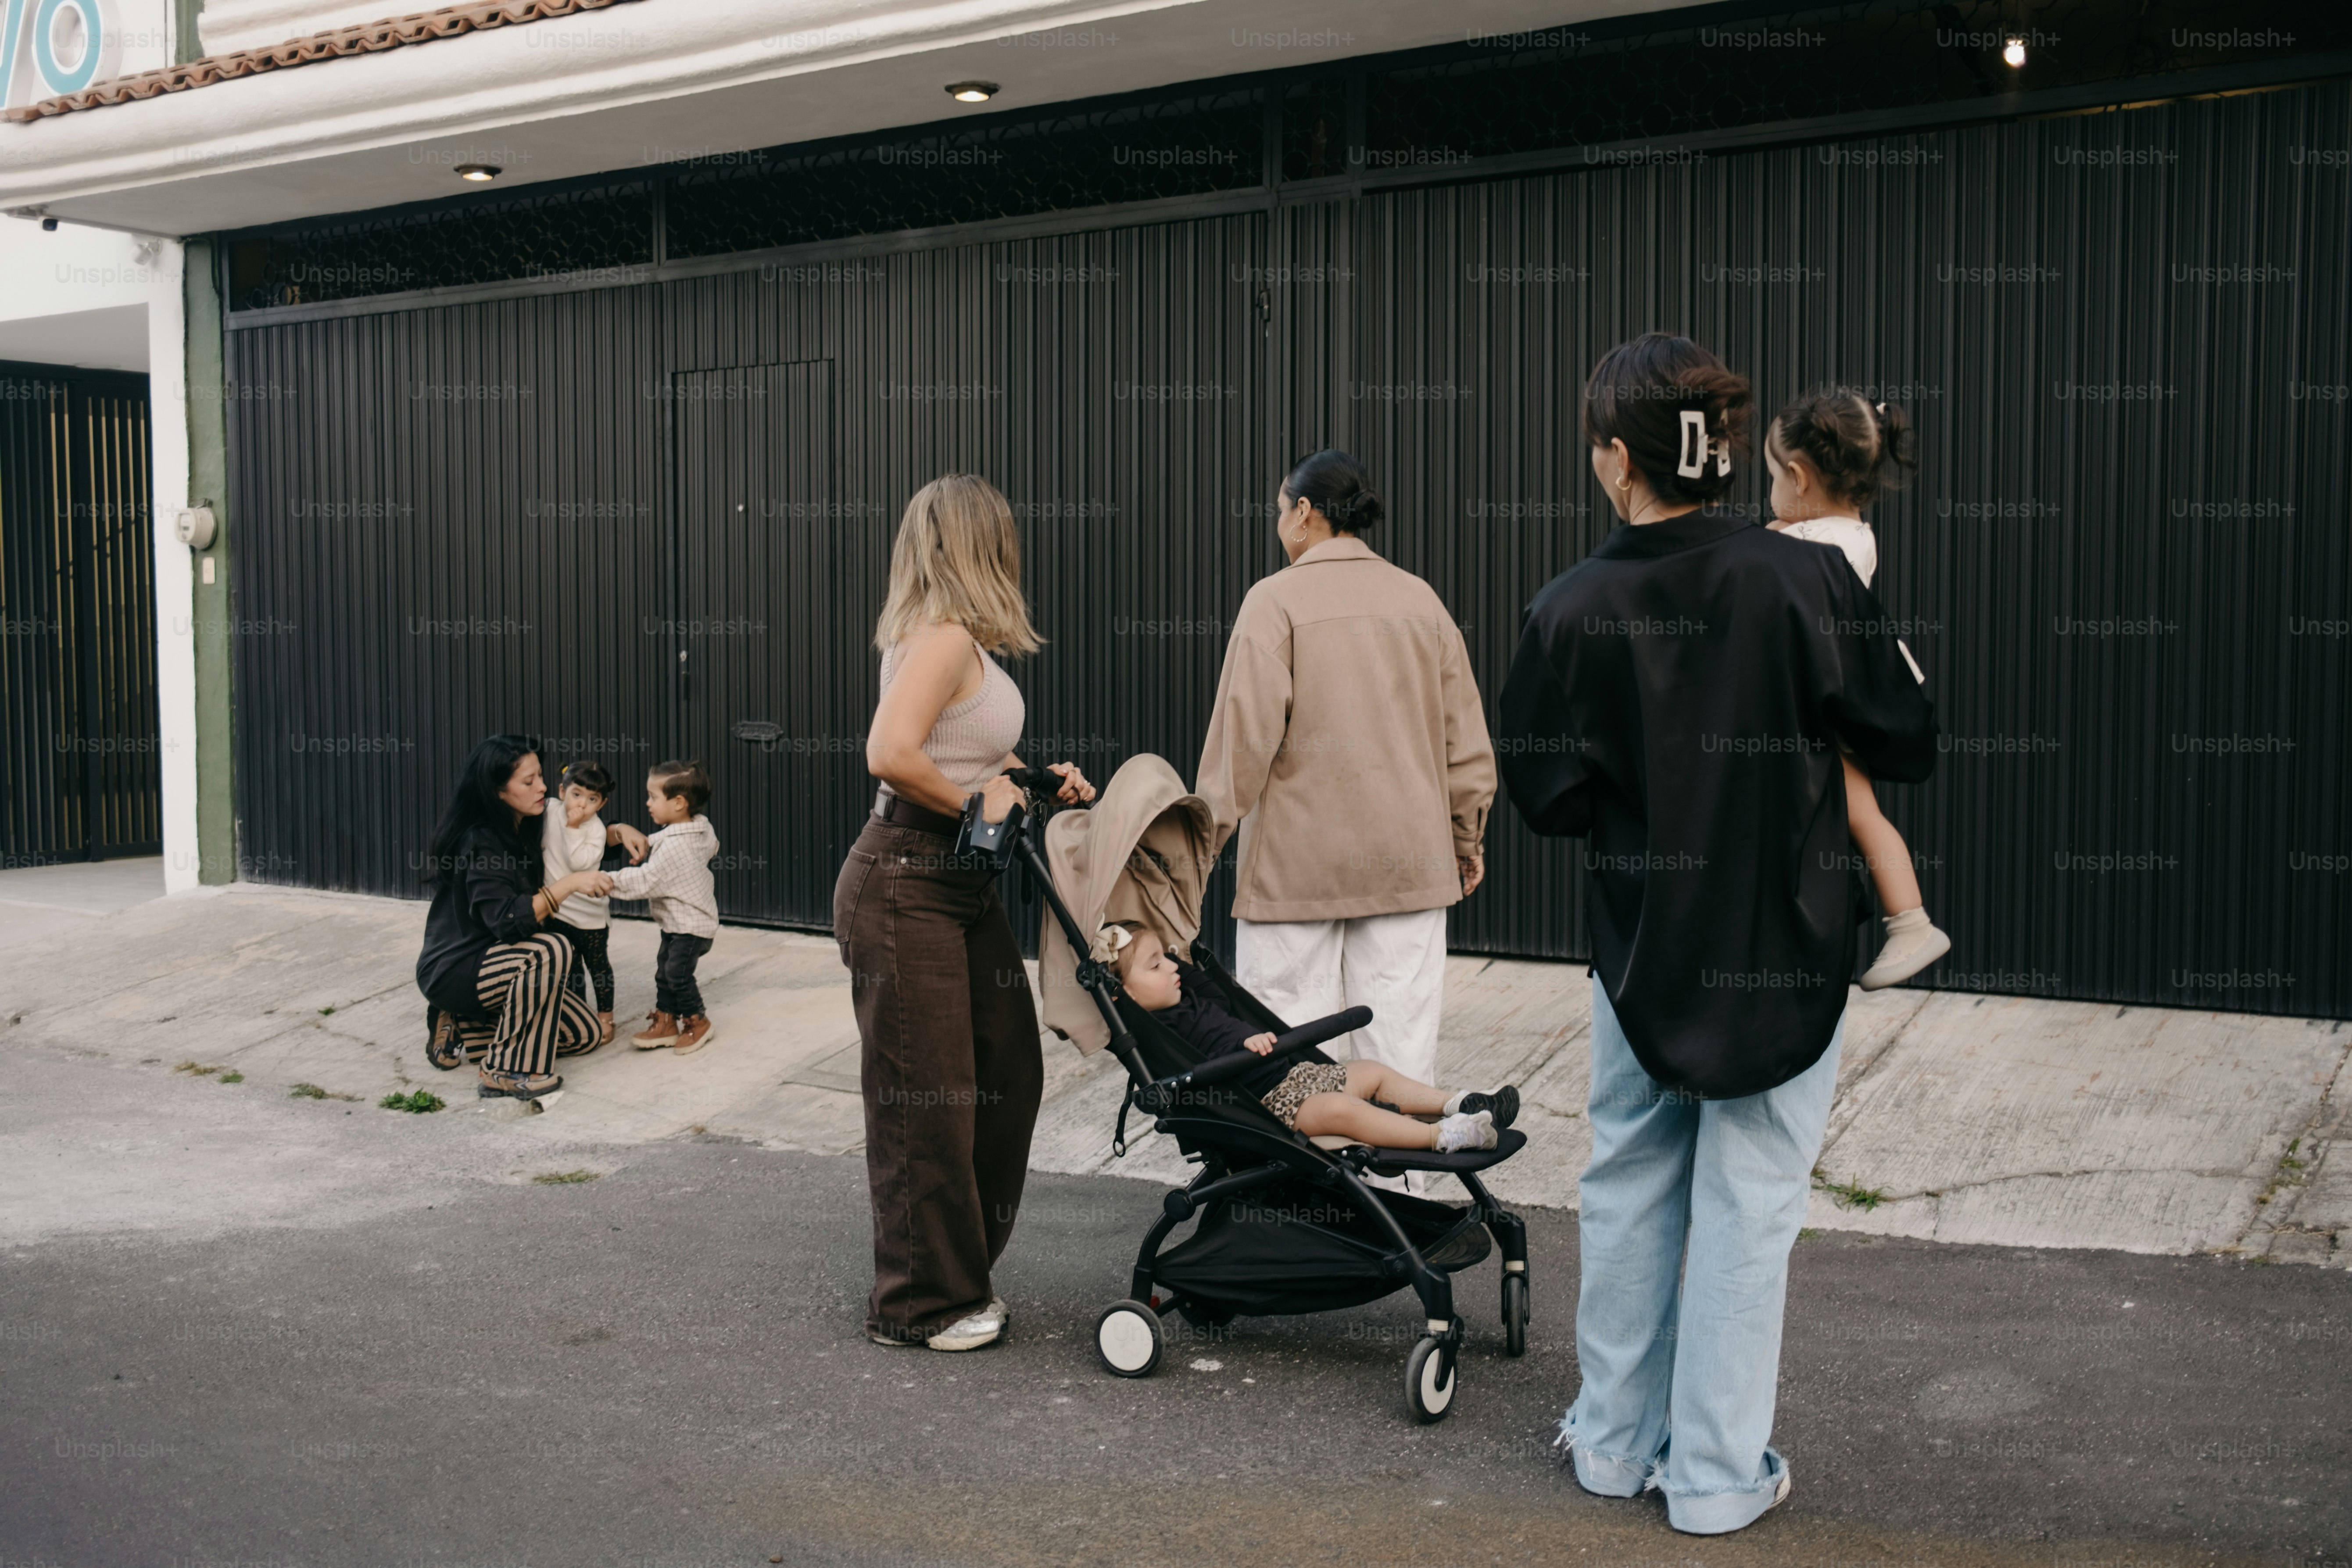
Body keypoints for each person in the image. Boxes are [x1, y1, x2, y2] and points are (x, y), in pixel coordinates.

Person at [1496, 333, 1936, 1535]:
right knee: (1750, 1199)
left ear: (1610, 456)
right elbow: (1903, 733)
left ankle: (1608, 1443)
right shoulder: (1806, 579)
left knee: (1631, 1179)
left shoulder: (1567, 606)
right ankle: (1713, 1477)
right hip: (1788, 941)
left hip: (1642, 944)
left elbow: (1545, 795)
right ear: (1726, 450)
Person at [834, 473, 1095, 1353]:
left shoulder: (959, 644)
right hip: (904, 878)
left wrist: (1034, 777)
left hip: (952, 884)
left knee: (1006, 1072)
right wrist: (975, 809)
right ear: (981, 543)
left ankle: (959, 1265)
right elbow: (889, 752)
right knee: (927, 1101)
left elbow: (973, 748)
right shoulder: (940, 638)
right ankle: (920, 1301)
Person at [1193, 450, 1497, 1186]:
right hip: (1409, 866)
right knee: (1400, 1043)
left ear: (1304, 511)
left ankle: (1296, 1204)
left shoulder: (1275, 602)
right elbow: (1465, 742)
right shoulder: (1420, 600)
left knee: (1285, 1047)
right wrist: (1465, 836)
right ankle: (1404, 1209)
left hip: (1297, 872)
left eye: (1278, 507)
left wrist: (1197, 848)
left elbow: (1239, 746)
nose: (1276, 523)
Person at [1763, 387, 1951, 989]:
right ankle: (1905, 919)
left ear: (1797, 476)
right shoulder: (1851, 534)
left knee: (1860, 811)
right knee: (1857, 812)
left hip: (1835, 705)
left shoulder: (1817, 547)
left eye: (1770, 475)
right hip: (1849, 695)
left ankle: (1911, 922)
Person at [1105, 922, 1515, 1152]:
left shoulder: (1195, 997)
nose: (1171, 969)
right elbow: (1195, 1070)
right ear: (1125, 995)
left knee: (1370, 1071)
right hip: (1269, 1106)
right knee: (1343, 1110)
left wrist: (1174, 955)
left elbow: (1210, 985)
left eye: (1166, 959)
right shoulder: (1161, 1034)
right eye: (1155, 966)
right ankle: (1444, 1136)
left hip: (1295, 1076)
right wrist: (1240, 1047)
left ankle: (1458, 1103)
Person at [416, 734, 634, 1099]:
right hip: (459, 965)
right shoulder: (481, 842)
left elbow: (579, 838)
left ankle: (468, 1021)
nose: (544, 787)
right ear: (498, 791)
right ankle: (506, 1068)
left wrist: (620, 831)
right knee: (551, 949)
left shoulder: (530, 819)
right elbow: (506, 920)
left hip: (505, 959)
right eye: (529, 781)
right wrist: (569, 885)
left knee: (585, 1036)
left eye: (541, 777)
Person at [609, 759, 721, 1054]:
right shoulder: (700, 828)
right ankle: (666, 1022)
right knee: (665, 972)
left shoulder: (675, 846)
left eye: (654, 797)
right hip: (679, 922)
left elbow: (646, 881)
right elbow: (712, 846)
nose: (648, 803)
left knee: (677, 974)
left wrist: (603, 881)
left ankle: (697, 1021)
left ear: (679, 803)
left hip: (691, 926)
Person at [541, 760, 620, 1045]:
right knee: (569, 968)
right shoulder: (549, 809)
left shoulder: (594, 830)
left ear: (602, 803)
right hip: (556, 910)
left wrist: (574, 827)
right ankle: (579, 1014)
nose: (582, 804)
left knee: (598, 968)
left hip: (589, 917)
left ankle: (605, 1017)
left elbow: (579, 863)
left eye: (592, 799)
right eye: (576, 794)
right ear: (562, 792)